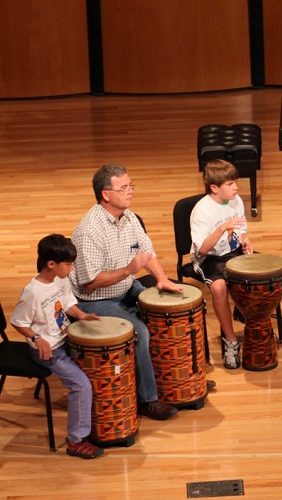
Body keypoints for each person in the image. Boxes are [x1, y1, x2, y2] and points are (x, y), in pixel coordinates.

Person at [71, 164, 181, 421]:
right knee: (140, 332)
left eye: (131, 186)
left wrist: (162, 279)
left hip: (126, 288)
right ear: (106, 194)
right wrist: (130, 269)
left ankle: (175, 385)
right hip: (96, 300)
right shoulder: (90, 230)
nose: (130, 192)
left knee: (164, 313)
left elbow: (146, 253)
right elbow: (89, 282)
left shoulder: (129, 217)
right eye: (124, 188)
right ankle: (148, 400)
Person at [10, 234, 105, 458]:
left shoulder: (60, 279)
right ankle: (76, 440)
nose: (71, 268)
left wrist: (81, 315)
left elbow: (68, 303)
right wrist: (35, 338)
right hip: (49, 351)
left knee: (99, 362)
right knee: (81, 385)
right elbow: (18, 321)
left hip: (65, 338)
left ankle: (102, 422)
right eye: (69, 264)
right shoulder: (32, 292)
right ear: (51, 264)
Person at [190, 159, 253, 368]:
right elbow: (202, 249)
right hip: (210, 258)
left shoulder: (236, 201)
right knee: (218, 288)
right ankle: (231, 341)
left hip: (233, 251)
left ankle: (250, 322)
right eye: (230, 184)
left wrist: (245, 239)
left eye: (236, 182)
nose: (236, 187)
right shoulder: (201, 211)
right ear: (215, 187)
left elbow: (242, 227)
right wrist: (222, 229)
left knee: (261, 275)